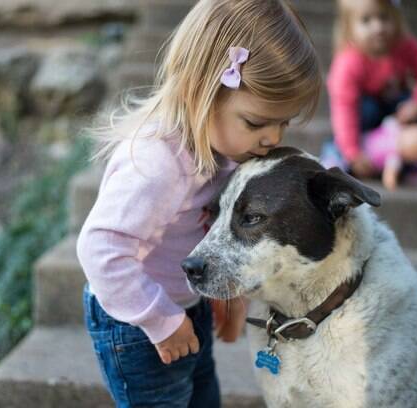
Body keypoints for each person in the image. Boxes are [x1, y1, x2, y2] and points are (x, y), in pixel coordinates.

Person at [76, 0, 322, 406]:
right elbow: (100, 250)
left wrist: (226, 297)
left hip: (184, 305)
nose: (274, 138)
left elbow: (210, 232)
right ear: (201, 92)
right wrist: (161, 321)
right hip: (136, 323)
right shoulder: (158, 166)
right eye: (257, 122)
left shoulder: (226, 150)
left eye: (285, 122)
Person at [322, 0, 417, 190]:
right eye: (366, 20)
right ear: (349, 27)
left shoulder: (403, 45)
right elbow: (344, 107)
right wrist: (352, 151)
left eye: (384, 17)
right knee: (366, 108)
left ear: (396, 19)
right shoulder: (348, 61)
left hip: (396, 115)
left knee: (411, 105)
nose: (378, 27)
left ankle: (415, 164)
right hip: (362, 121)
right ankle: (338, 153)